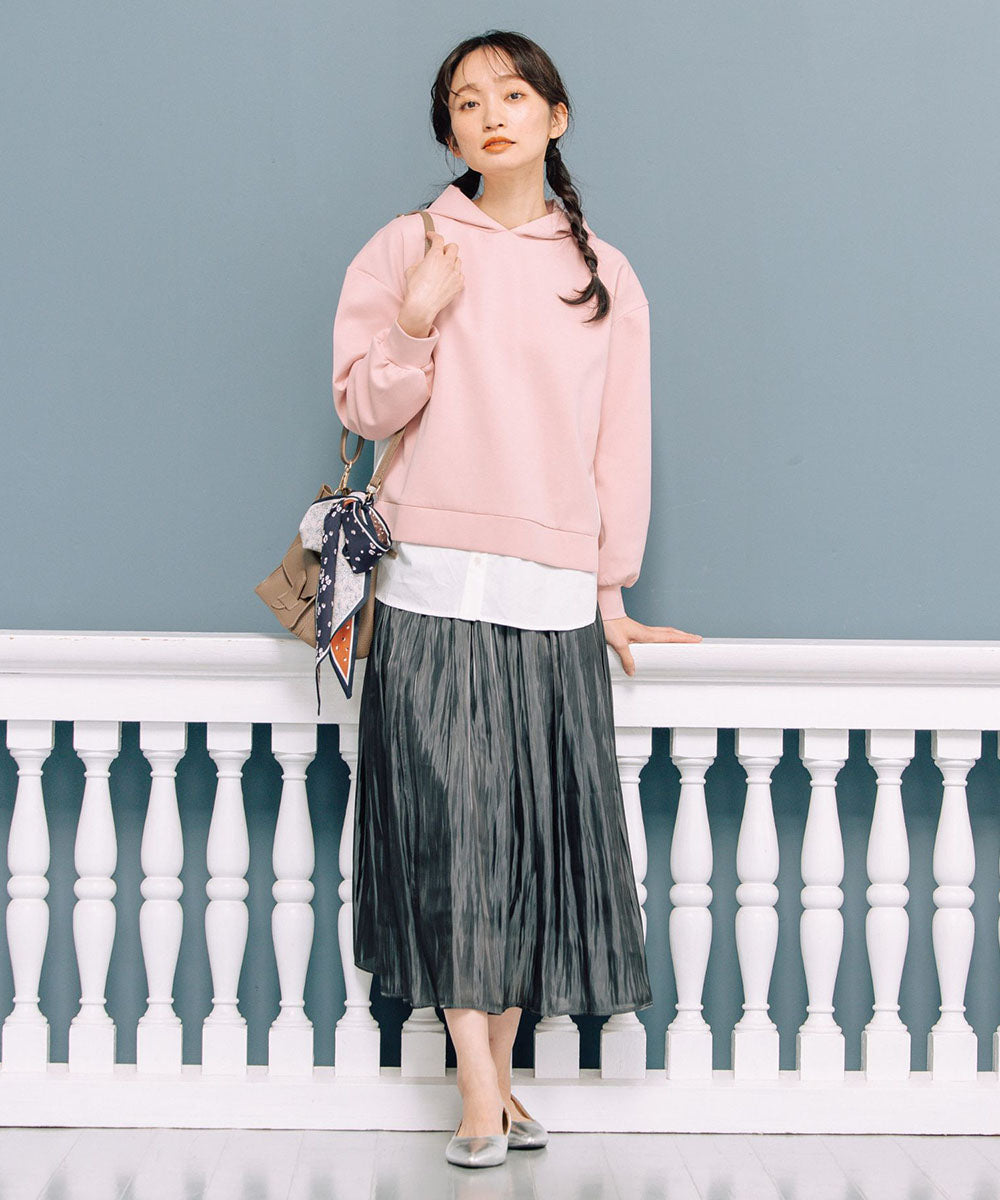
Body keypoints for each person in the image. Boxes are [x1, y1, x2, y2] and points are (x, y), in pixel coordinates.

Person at [332, 30, 702, 1169]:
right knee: (451, 840)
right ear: (447, 131)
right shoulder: (405, 246)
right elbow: (363, 410)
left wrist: (609, 591)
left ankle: (493, 1090)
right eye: (465, 102)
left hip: (550, 597)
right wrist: (416, 317)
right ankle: (481, 1093)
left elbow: (617, 443)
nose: (490, 114)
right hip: (430, 581)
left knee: (521, 848)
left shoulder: (604, 273)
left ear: (555, 114)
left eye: (511, 94)